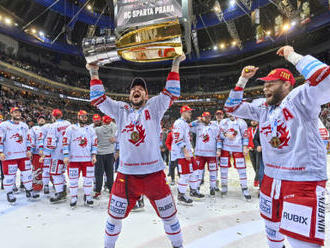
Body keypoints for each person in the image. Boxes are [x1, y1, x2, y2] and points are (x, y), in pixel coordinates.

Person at [224, 45, 330, 248]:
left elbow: (325, 79)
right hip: (271, 178)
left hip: (302, 179)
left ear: (286, 85)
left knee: (302, 241)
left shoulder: (301, 97)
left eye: (271, 84)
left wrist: (293, 55)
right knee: (271, 228)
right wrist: (242, 80)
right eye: (264, 85)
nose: (265, 88)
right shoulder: (262, 107)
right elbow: (231, 107)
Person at [88, 54, 186, 248]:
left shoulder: (155, 106)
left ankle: (178, 245)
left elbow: (172, 91)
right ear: (129, 95)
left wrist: (175, 63)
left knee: (170, 216)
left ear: (146, 96)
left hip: (154, 175)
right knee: (114, 217)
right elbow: (98, 99)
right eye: (134, 89)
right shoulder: (120, 110)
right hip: (127, 176)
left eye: (141, 89)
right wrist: (93, 71)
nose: (137, 90)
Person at [0, 107, 39, 203]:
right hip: (9, 156)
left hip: (23, 155)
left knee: (27, 174)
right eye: (15, 112)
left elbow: (27, 139)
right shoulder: (4, 125)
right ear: (11, 113)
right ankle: (10, 193)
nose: (18, 114)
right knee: (9, 176)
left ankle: (29, 190)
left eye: (19, 112)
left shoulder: (24, 126)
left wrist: (29, 149)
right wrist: (0, 152)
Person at [63, 110, 97, 207]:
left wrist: (94, 155)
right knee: (73, 180)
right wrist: (66, 155)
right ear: (78, 117)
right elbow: (66, 142)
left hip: (87, 159)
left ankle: (87, 196)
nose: (84, 118)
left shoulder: (91, 129)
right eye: (82, 116)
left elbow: (94, 143)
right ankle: (74, 197)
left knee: (88, 180)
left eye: (85, 117)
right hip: (74, 160)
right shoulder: (71, 128)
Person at [172, 105, 204, 203]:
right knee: (185, 175)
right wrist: (185, 152)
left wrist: (198, 121)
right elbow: (177, 138)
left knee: (195, 171)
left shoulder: (184, 123)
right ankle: (181, 195)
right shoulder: (178, 123)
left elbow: (190, 125)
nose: (191, 113)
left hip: (188, 152)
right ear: (183, 112)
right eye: (189, 112)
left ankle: (193, 191)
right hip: (182, 153)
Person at [219, 113, 251, 200]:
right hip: (225, 147)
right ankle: (224, 186)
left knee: (242, 169)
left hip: (238, 148)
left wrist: (245, 147)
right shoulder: (223, 121)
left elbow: (245, 135)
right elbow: (220, 135)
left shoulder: (241, 122)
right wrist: (225, 135)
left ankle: (244, 188)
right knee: (223, 168)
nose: (229, 113)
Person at [190, 112, 221, 196]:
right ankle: (196, 187)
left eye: (209, 117)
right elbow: (188, 126)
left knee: (213, 171)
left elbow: (218, 139)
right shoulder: (198, 126)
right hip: (200, 154)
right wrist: (197, 121)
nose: (207, 118)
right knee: (198, 172)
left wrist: (218, 150)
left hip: (211, 154)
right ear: (202, 117)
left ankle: (212, 187)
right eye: (205, 117)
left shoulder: (215, 126)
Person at [44, 109, 71, 203]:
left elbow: (51, 142)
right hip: (68, 153)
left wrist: (45, 154)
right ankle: (63, 189)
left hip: (57, 154)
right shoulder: (68, 123)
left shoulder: (53, 126)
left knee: (56, 173)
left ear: (53, 117)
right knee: (61, 172)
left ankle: (60, 192)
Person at [93, 115, 117, 199]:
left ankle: (97, 191)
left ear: (102, 121)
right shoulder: (114, 126)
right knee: (110, 173)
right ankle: (111, 190)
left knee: (99, 174)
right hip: (110, 153)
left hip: (100, 154)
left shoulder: (97, 130)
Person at [28, 115, 47, 196]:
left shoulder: (49, 127)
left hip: (48, 153)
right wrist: (31, 151)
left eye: (43, 118)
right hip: (37, 153)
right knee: (37, 170)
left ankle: (50, 185)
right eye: (40, 119)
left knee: (48, 170)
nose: (42, 120)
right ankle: (37, 186)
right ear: (37, 121)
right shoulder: (34, 129)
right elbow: (31, 139)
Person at [247, 120, 260, 187]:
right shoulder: (248, 129)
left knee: (258, 166)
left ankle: (256, 180)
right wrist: (248, 146)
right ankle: (259, 178)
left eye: (255, 120)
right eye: (252, 121)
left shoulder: (260, 128)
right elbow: (246, 139)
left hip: (258, 150)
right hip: (251, 150)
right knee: (254, 166)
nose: (253, 122)